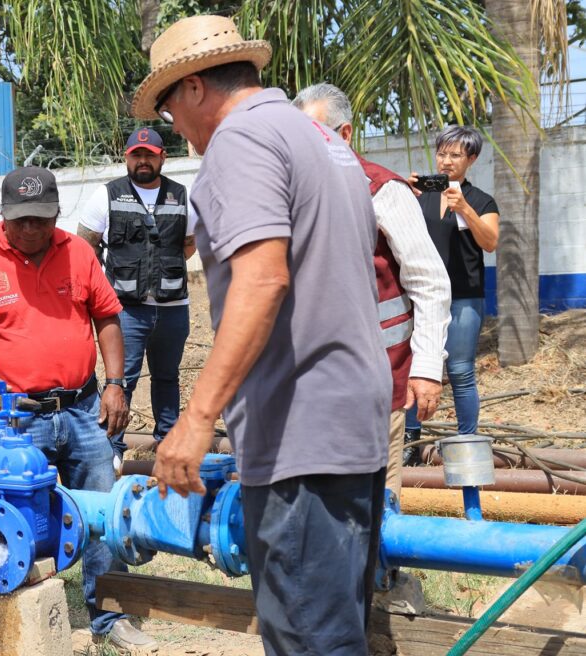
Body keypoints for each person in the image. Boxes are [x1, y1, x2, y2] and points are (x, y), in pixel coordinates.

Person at [135, 15, 392, 652]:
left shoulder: (240, 141)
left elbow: (263, 280)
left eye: (170, 110)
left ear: (195, 87)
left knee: (309, 639)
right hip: (353, 421)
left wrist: (196, 419)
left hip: (298, 435)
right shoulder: (321, 140)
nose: (176, 129)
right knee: (338, 632)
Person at [0, 166, 155, 652]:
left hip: (83, 408)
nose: (30, 228)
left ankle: (110, 617)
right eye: (20, 219)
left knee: (102, 510)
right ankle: (18, 619)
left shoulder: (79, 253)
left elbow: (107, 319)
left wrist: (116, 385)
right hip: (17, 419)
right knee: (14, 516)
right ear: (3, 214)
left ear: (56, 214)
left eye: (40, 219)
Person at [294, 83, 452, 496]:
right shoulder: (296, 196)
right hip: (314, 383)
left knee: (375, 503)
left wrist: (426, 368)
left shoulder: (382, 190)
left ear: (344, 135)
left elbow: (429, 282)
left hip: (377, 381)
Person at [76, 127, 196, 466]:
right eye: (136, 155)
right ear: (126, 157)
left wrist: (160, 273)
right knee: (121, 380)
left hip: (173, 308)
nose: (143, 161)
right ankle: (112, 449)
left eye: (149, 155)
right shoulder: (107, 195)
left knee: (167, 377)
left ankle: (167, 442)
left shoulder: (181, 196)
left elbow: (189, 244)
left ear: (162, 157)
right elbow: (85, 245)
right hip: (125, 310)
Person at [405, 126, 499, 445]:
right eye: (442, 154)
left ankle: (467, 443)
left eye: (455, 155)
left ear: (472, 159)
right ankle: (410, 443)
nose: (446, 161)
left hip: (463, 296)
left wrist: (465, 209)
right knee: (416, 368)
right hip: (421, 295)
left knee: (460, 370)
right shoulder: (422, 195)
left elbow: (490, 242)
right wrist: (402, 192)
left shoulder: (482, 201)